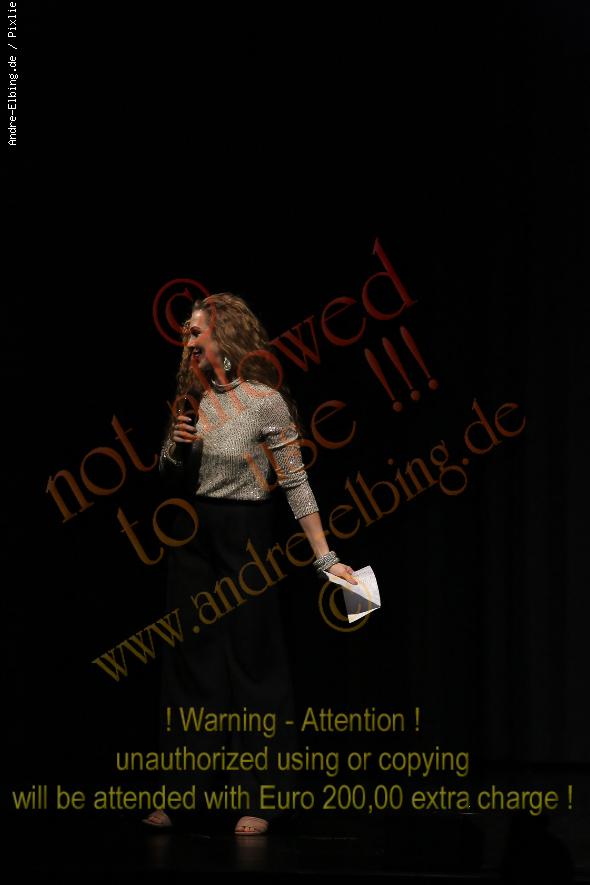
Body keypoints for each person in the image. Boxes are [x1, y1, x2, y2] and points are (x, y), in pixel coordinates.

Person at [142, 292, 357, 836]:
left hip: (247, 537)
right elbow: (168, 473)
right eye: (186, 334)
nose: (188, 342)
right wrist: (176, 446)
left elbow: (296, 481)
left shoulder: (265, 401)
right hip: (193, 539)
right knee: (191, 663)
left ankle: (262, 795)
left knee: (253, 664)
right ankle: (180, 793)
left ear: (224, 337)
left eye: (195, 333)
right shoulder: (190, 400)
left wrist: (325, 557)